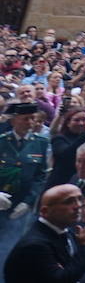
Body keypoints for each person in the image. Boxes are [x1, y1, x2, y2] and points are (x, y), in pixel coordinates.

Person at [1, 183, 85, 282]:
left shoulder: (66, 231)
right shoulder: (35, 246)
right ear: (45, 211)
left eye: (80, 199)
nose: (78, 206)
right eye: (68, 202)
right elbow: (61, 280)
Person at [0, 101, 52, 268]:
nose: (30, 122)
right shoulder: (2, 142)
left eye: (32, 118)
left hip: (22, 206)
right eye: (25, 118)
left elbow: (40, 176)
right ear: (14, 120)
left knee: (13, 246)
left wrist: (28, 202)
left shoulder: (41, 143)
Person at [48, 109, 85, 193]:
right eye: (77, 120)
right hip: (60, 184)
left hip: (83, 185)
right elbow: (67, 155)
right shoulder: (59, 138)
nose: (81, 123)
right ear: (68, 123)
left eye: (84, 120)